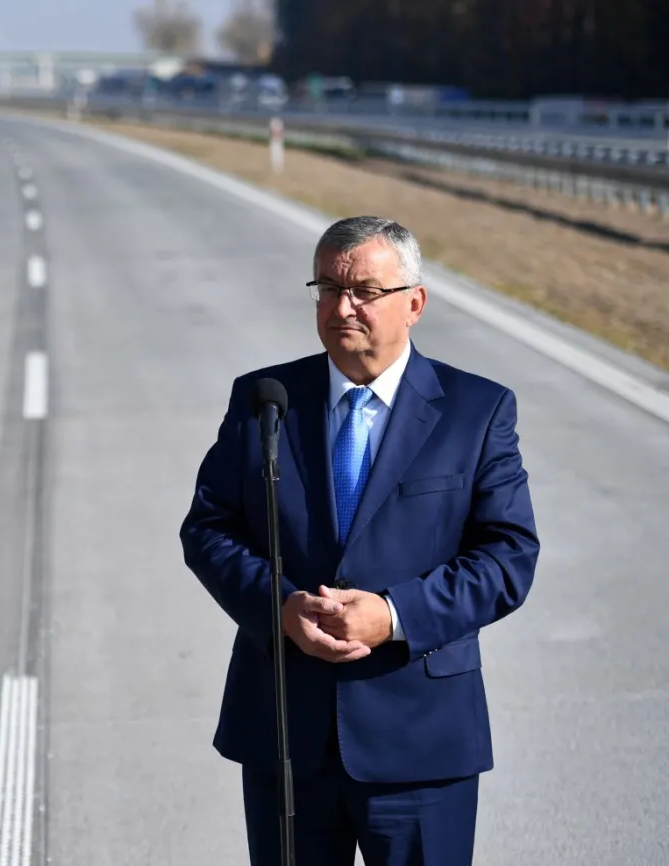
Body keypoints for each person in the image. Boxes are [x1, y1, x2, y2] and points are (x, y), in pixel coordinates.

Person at [179, 216, 539, 865]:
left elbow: (507, 557)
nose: (342, 307)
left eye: (365, 291)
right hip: (287, 735)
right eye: (327, 288)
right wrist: (279, 607)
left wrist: (394, 616)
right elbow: (209, 528)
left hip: (421, 743)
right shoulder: (264, 401)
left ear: (414, 303)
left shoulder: (477, 411)